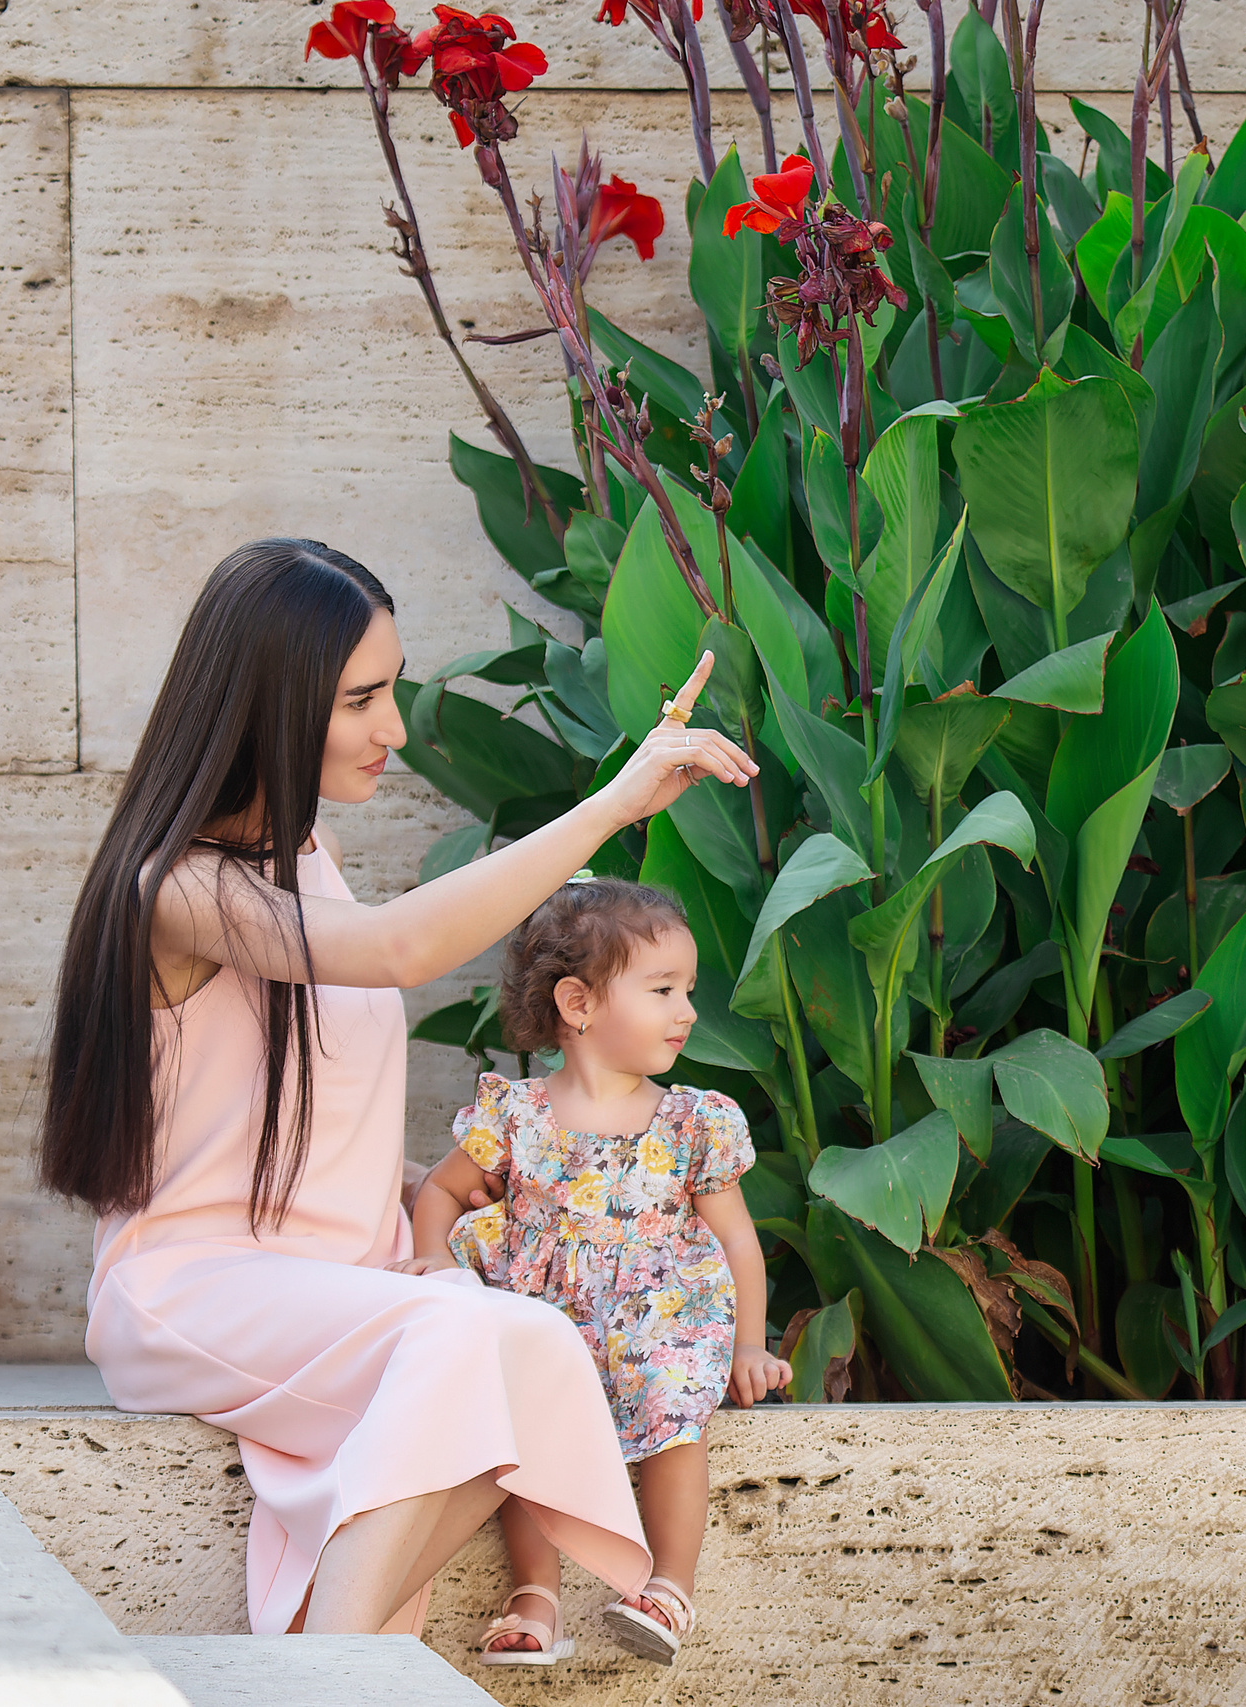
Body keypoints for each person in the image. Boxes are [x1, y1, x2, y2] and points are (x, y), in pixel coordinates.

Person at [40, 538, 757, 1638]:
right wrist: (612, 805)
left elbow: (307, 1106)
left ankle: (343, 1657)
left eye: (394, 688)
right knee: (477, 1344)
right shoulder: (176, 887)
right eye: (362, 698)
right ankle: (333, 1675)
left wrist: (443, 1183)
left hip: (348, 1286)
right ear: (269, 704)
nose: (394, 728)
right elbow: (396, 949)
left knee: (532, 1341)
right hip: (196, 1291)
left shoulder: (302, 857)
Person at [402, 876, 792, 1667]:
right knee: (523, 1430)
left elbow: (739, 1242)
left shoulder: (692, 1121)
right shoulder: (516, 1115)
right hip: (549, 1320)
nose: (686, 1009)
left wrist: (749, 1343)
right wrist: (435, 1264)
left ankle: (667, 1586)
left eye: (688, 988)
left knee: (675, 1416)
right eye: (661, 989)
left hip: (660, 1320)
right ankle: (534, 1592)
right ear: (578, 1004)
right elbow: (438, 1191)